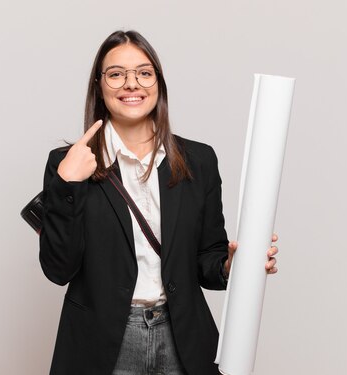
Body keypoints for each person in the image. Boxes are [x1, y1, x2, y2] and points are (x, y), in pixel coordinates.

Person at [38, 30, 279, 375]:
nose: (131, 84)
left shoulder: (197, 159)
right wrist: (67, 183)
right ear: (99, 85)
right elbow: (58, 269)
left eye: (144, 73)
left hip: (181, 335)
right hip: (103, 341)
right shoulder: (67, 163)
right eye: (117, 73)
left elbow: (205, 259)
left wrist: (232, 264)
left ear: (158, 84)